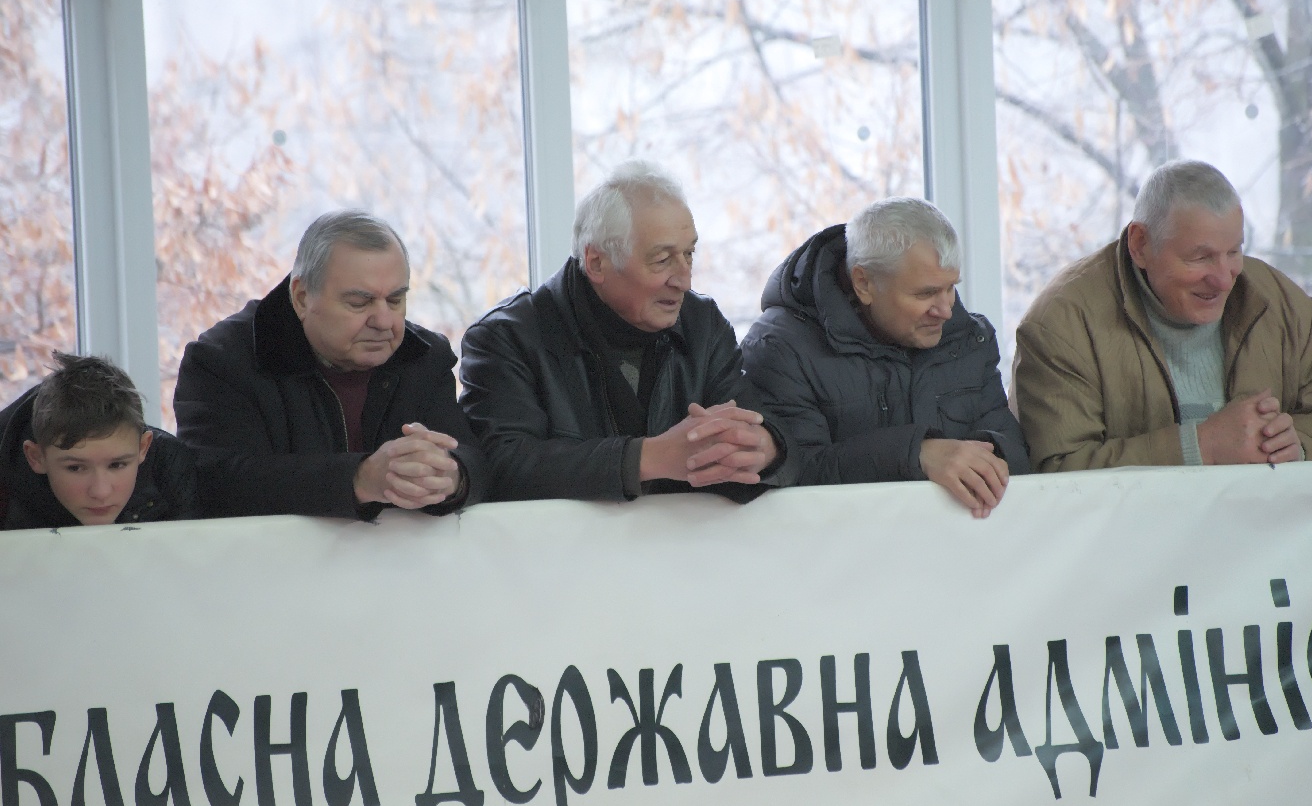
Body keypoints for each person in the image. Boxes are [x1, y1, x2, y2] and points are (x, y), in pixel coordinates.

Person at [459, 159, 799, 502]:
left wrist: (766, 449)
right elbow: (501, 468)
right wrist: (646, 458)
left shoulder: (702, 324)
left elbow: (766, 429)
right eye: (662, 260)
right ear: (597, 263)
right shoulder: (507, 338)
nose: (684, 280)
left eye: (689, 254)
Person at [1013, 159, 1312, 471]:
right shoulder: (1061, 324)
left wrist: (1298, 444)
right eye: (1200, 257)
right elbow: (1059, 468)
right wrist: (1201, 447)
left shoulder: (1282, 302)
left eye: (1234, 251)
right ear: (1140, 244)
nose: (1224, 279)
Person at [175, 209, 486, 519]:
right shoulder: (222, 359)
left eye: (395, 300)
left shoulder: (425, 356)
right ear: (301, 297)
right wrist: (358, 479)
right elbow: (217, 483)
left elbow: (477, 459)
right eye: (359, 303)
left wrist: (451, 476)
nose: (384, 321)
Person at [741, 198, 1028, 518]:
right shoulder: (779, 350)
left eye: (950, 288)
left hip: (961, 541)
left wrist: (978, 460)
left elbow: (1017, 454)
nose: (945, 310)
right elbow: (794, 474)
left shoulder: (969, 339)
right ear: (863, 283)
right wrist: (916, 454)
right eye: (925, 293)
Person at [1, 352, 197, 529]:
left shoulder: (168, 468)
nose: (100, 492)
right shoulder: (5, 492)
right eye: (75, 468)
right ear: (35, 457)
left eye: (117, 465)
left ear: (143, 447)